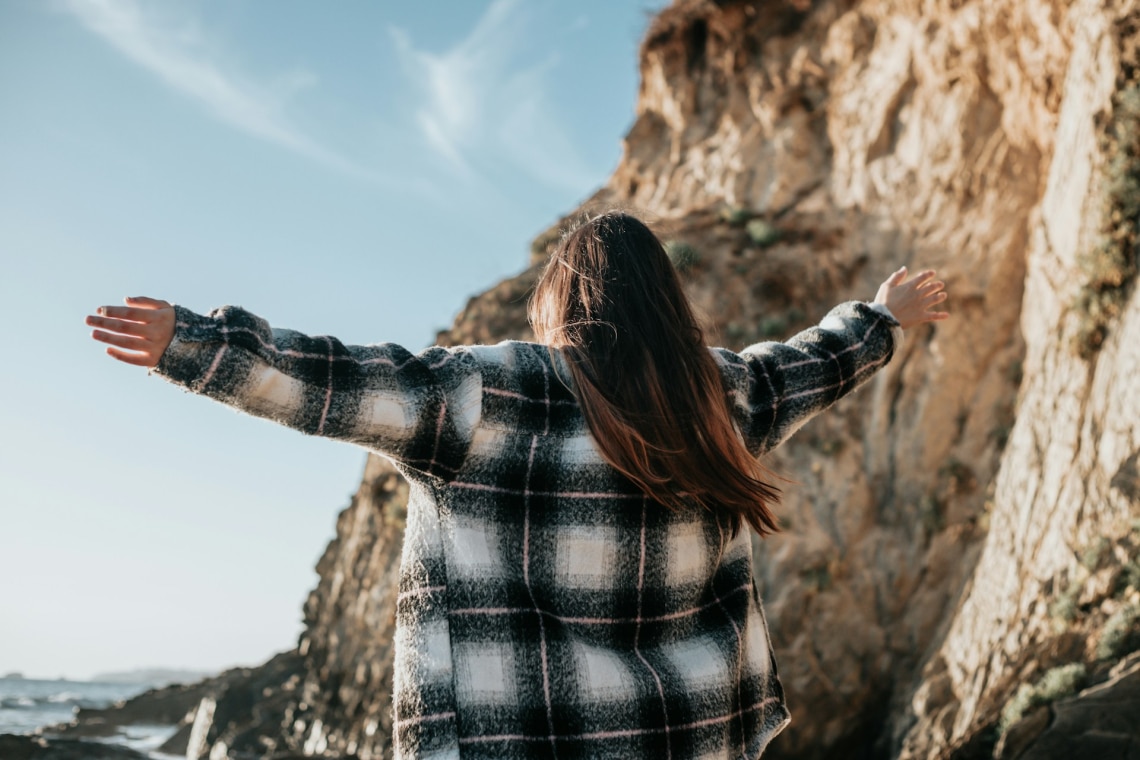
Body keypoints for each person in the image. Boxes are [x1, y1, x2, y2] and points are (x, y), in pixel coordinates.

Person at [86, 211, 948, 759]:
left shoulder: (494, 392)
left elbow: (340, 383)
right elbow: (814, 362)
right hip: (685, 735)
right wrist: (881, 317)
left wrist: (196, 345)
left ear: (562, 298)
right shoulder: (723, 399)